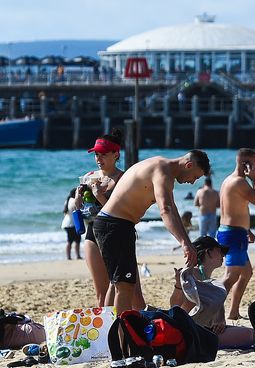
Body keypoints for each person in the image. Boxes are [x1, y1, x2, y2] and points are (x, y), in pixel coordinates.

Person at [93, 149, 210, 315]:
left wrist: (187, 242)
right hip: (114, 225)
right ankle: (118, 336)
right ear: (189, 165)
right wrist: (184, 243)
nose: (192, 182)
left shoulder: (162, 167)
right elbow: (165, 210)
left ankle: (107, 332)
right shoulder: (162, 170)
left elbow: (173, 210)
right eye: (195, 177)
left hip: (116, 225)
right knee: (124, 287)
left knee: (118, 283)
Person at [171, 236, 255, 349]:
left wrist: (220, 319)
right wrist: (178, 285)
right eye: (219, 251)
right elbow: (174, 307)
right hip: (190, 333)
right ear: (208, 252)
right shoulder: (190, 274)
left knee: (251, 334)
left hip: (204, 330)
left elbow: (214, 307)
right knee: (250, 336)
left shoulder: (206, 277)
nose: (223, 255)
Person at [75, 129, 126, 307]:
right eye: (96, 154)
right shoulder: (89, 177)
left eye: (103, 154)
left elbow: (121, 213)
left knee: (122, 289)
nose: (98, 158)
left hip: (116, 236)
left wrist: (99, 196)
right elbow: (78, 208)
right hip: (92, 233)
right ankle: (104, 331)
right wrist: (78, 197)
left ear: (116, 154)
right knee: (101, 292)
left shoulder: (123, 179)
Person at [218, 148, 255, 320]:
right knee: (231, 276)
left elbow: (235, 208)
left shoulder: (228, 180)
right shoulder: (239, 182)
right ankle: (213, 310)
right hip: (233, 235)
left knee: (246, 273)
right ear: (247, 164)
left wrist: (247, 229)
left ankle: (233, 311)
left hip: (234, 232)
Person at [61, 188, 82, 260]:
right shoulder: (74, 201)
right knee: (77, 240)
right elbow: (78, 210)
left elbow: (65, 213)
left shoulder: (67, 201)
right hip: (73, 223)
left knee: (70, 240)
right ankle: (77, 255)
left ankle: (69, 256)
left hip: (66, 223)